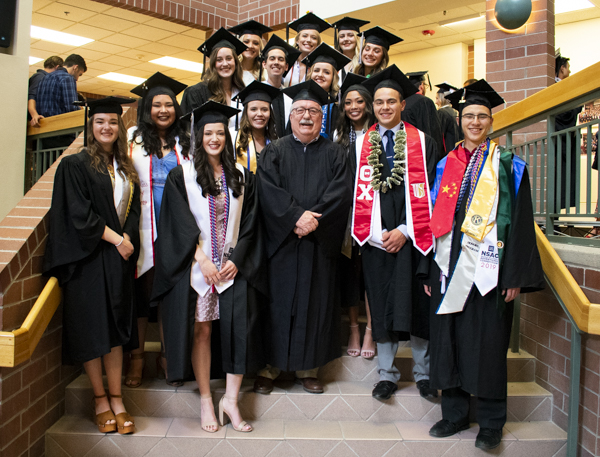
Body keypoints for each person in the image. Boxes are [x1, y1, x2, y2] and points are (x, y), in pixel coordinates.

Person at [426, 80, 544, 450]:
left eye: (482, 116)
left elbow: (522, 222)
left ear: (492, 121)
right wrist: (427, 269)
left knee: (489, 344)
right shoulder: (445, 164)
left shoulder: (509, 165)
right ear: (459, 120)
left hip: (490, 269)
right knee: (450, 339)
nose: (475, 122)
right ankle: (454, 414)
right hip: (448, 266)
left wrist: (515, 276)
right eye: (468, 116)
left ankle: (491, 422)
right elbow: (432, 219)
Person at [153, 101, 268, 433]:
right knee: (202, 330)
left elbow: (250, 225)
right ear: (198, 137)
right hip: (198, 268)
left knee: (238, 331)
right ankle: (206, 399)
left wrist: (235, 259)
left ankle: (230, 400)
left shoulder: (243, 177)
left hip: (233, 268)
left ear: (227, 138)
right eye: (208, 133)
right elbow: (177, 222)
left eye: (220, 132)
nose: (214, 138)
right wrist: (201, 259)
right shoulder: (182, 176)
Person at [43, 96, 140, 435]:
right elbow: (79, 214)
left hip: (118, 259)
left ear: (120, 126)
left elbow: (135, 211)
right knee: (92, 330)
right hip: (88, 259)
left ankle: (117, 397)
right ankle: (99, 399)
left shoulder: (126, 167)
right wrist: (118, 240)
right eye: (100, 122)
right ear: (91, 126)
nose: (107, 127)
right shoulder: (75, 165)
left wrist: (128, 239)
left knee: (114, 330)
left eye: (112, 122)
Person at [254, 80, 352, 395]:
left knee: (316, 306)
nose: (306, 116)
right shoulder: (274, 151)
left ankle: (308, 369)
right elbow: (267, 191)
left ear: (322, 118)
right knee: (277, 306)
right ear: (290, 116)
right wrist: (295, 217)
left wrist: (313, 219)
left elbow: (341, 192)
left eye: (312, 110)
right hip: (283, 244)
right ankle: (269, 369)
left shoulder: (337, 153)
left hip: (318, 243)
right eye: (300, 110)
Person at [352, 65, 438, 401]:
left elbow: (432, 194)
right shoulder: (361, 145)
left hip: (414, 239)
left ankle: (423, 374)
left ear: (403, 104)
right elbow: (353, 194)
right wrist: (375, 232)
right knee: (382, 304)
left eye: (391, 101)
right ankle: (386, 375)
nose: (385, 107)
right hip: (375, 241)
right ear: (372, 107)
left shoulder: (423, 142)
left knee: (416, 305)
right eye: (379, 102)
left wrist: (405, 230)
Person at [125, 72, 191, 388]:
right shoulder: (133, 138)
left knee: (170, 295)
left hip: (176, 229)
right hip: (142, 227)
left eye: (169, 105)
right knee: (141, 297)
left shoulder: (187, 140)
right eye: (156, 105)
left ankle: (168, 356)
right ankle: (136, 358)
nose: (163, 110)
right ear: (147, 108)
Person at [334, 73, 377, 359]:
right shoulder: (339, 137)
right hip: (347, 214)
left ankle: (371, 330)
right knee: (351, 274)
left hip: (375, 213)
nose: (353, 107)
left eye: (359, 101)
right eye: (348, 102)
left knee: (372, 273)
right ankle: (353, 328)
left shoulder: (381, 134)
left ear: (368, 104)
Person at [181, 28, 247, 130]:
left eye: (229, 58)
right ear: (213, 64)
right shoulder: (196, 93)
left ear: (235, 62)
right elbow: (190, 130)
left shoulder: (243, 93)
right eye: (219, 60)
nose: (225, 64)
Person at [36, 54, 87, 149]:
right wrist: (83, 112)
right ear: (75, 67)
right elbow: (72, 107)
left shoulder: (45, 78)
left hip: (43, 133)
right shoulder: (67, 78)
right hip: (61, 134)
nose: (77, 78)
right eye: (79, 74)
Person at [302, 43, 350, 139]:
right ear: (310, 74)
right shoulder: (300, 101)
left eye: (326, 72)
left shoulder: (337, 106)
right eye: (316, 70)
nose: (320, 75)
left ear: (333, 77)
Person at [554, 54, 582, 211]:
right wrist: (578, 106)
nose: (569, 72)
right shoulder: (558, 88)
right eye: (568, 68)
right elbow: (565, 114)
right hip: (559, 144)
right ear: (562, 68)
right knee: (558, 182)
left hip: (561, 144)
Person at [232, 81, 279, 172]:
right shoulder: (233, 138)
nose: (259, 114)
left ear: (270, 113)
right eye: (253, 109)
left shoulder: (276, 140)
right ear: (246, 113)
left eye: (264, 109)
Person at [260, 34, 301, 137]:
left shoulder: (290, 96)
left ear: (286, 66)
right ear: (264, 64)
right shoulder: (258, 92)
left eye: (281, 59)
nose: (276, 62)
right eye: (272, 59)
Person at [403, 70, 444, 161]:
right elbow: (435, 132)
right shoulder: (426, 102)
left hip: (404, 153)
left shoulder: (402, 102)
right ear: (421, 86)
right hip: (424, 154)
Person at [284, 13, 331, 87]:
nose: (309, 40)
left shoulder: (320, 66)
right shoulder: (286, 62)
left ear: (318, 43)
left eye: (314, 38)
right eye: (305, 36)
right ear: (297, 40)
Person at [229, 20, 272, 86]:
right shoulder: (231, 71)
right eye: (246, 42)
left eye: (255, 43)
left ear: (260, 47)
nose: (250, 46)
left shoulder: (265, 73)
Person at [28, 55, 63, 127]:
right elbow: (31, 96)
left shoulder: (42, 77)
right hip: (34, 121)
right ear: (57, 67)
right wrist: (34, 115)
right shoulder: (40, 77)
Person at [332, 17, 370, 81]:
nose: (346, 39)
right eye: (342, 36)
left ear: (357, 38)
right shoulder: (334, 63)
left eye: (350, 35)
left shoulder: (365, 63)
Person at [434, 82, 460, 156]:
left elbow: (439, 135)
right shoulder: (454, 111)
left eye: (437, 98)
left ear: (443, 99)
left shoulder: (441, 113)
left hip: (446, 153)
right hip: (455, 150)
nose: (436, 102)